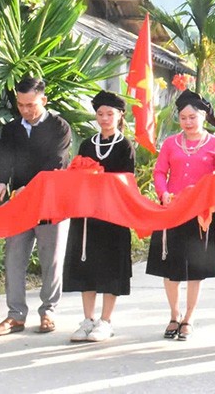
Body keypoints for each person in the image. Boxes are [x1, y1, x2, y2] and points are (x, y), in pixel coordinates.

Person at [0, 77, 72, 337]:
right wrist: (0, 181)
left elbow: (56, 162)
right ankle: (15, 316)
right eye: (21, 105)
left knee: (51, 259)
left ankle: (48, 311)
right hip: (20, 204)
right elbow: (4, 158)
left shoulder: (59, 127)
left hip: (51, 203)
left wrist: (32, 188)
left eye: (31, 105)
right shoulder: (12, 129)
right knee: (13, 257)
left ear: (43, 100)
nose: (26, 110)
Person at [146, 89, 215, 342]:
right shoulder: (171, 143)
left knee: (195, 268)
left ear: (203, 116)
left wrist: (205, 192)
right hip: (172, 210)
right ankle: (174, 314)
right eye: (183, 117)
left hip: (201, 213)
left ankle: (189, 317)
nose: (188, 122)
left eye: (192, 117)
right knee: (170, 267)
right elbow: (160, 172)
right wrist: (163, 193)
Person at [64, 90, 136, 343]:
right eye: (100, 114)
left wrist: (100, 180)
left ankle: (106, 320)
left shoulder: (125, 145)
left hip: (113, 215)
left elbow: (127, 181)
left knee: (109, 267)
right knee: (87, 265)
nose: (105, 118)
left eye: (110, 114)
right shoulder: (87, 144)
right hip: (87, 214)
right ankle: (88, 319)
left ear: (120, 116)